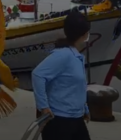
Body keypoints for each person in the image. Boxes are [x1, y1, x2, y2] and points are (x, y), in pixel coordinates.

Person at [32, 11, 92, 140]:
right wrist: (43, 106)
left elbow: (77, 86)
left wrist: (84, 108)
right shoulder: (64, 55)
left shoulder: (76, 56)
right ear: (85, 34)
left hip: (76, 118)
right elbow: (38, 75)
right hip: (59, 120)